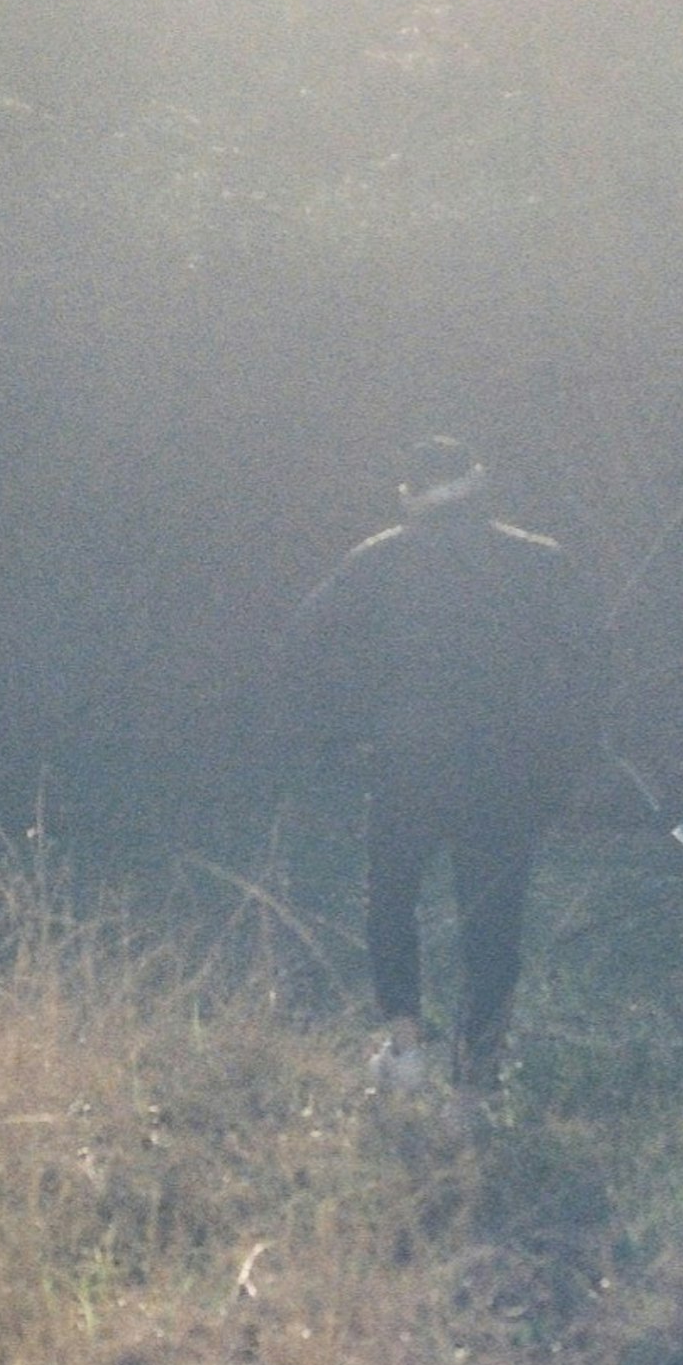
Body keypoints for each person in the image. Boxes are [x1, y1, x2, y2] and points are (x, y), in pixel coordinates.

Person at [278, 436, 601, 1092]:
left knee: (392, 901)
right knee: (493, 917)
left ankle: (404, 1047)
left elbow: (305, 642)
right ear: (479, 483)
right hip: (506, 768)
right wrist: (564, 754)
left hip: (408, 763)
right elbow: (590, 658)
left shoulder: (379, 559)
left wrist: (344, 733)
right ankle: (476, 1073)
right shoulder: (540, 561)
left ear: (408, 494)